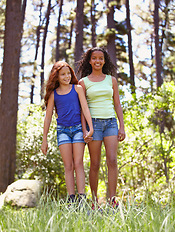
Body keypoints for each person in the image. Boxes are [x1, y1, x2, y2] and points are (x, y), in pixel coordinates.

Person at [78, 47, 126, 208]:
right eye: (94, 58)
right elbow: (82, 109)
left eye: (101, 58)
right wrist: (85, 130)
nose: (97, 61)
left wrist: (122, 126)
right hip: (94, 125)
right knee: (95, 163)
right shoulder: (83, 82)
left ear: (104, 61)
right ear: (89, 61)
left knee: (112, 160)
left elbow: (117, 104)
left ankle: (112, 200)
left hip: (111, 123)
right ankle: (93, 200)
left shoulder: (111, 80)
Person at [41, 61, 93, 204]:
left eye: (68, 73)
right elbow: (48, 117)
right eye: (63, 74)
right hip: (62, 131)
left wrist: (90, 128)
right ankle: (71, 201)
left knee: (78, 163)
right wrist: (44, 139)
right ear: (56, 76)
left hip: (77, 129)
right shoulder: (53, 94)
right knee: (68, 166)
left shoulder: (77, 89)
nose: (66, 76)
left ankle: (82, 200)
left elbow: (85, 108)